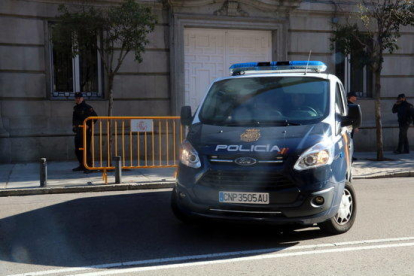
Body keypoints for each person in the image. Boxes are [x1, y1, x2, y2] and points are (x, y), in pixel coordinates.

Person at [72, 92, 97, 172]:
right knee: (78, 149)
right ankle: (82, 165)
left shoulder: (87, 107)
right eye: (76, 98)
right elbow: (75, 119)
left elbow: (95, 117)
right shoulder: (76, 108)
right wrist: (74, 126)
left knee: (86, 149)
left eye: (79, 98)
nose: (78, 99)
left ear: (82, 98)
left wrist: (88, 125)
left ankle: (89, 166)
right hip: (79, 131)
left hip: (86, 132)